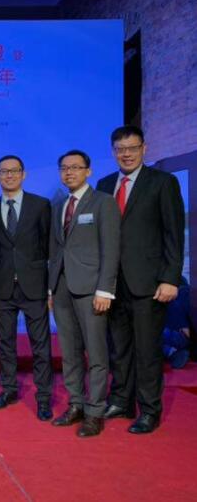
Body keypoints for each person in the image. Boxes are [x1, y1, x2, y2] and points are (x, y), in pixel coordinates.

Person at [96, 125, 185, 434]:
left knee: (147, 351)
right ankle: (121, 400)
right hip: (113, 284)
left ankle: (149, 410)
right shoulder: (105, 184)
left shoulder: (163, 182)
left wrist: (171, 278)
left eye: (132, 148)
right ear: (113, 152)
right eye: (121, 149)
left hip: (149, 284)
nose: (127, 154)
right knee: (118, 348)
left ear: (144, 149)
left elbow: (174, 234)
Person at [49, 150, 120, 437]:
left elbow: (111, 249)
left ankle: (94, 411)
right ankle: (76, 404)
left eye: (76, 167)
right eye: (64, 168)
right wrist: (50, 288)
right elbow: (56, 249)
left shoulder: (103, 202)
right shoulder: (58, 205)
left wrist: (105, 289)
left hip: (92, 290)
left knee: (97, 354)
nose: (69, 172)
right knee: (69, 353)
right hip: (62, 288)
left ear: (88, 171)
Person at [0, 155, 53, 421]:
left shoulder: (40, 205)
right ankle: (9, 390)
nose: (9, 175)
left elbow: (48, 247)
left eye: (14, 171)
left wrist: (50, 288)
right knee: (5, 344)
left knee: (41, 346)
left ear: (24, 174)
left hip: (34, 286)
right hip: (2, 287)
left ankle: (43, 398)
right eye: (4, 171)